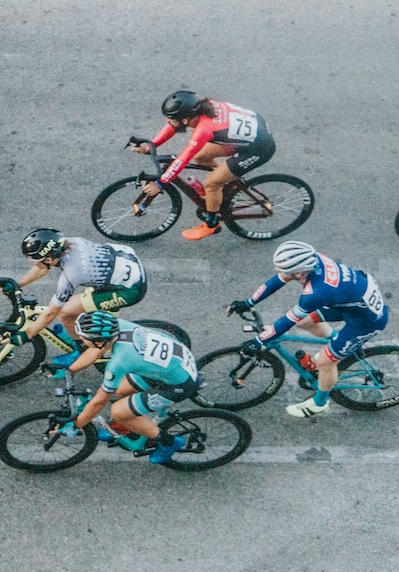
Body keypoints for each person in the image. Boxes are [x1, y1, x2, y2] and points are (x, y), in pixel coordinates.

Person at [234, 240, 389, 418]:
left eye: (283, 268)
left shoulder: (316, 292)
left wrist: (258, 341)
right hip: (350, 302)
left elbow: (288, 320)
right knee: (305, 322)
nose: (278, 270)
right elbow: (279, 279)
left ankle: (320, 403)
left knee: (325, 361)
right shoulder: (314, 260)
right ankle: (340, 345)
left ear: (299, 272)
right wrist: (248, 303)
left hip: (366, 321)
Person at [54, 312, 201, 465]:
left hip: (178, 384)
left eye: (84, 337)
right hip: (172, 365)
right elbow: (96, 350)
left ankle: (169, 442)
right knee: (120, 390)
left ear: (99, 340)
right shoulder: (116, 327)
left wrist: (77, 424)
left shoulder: (120, 361)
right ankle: (125, 428)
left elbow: (99, 401)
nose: (81, 340)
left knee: (118, 412)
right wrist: (69, 370)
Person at [135, 90, 275, 240]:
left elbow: (183, 159)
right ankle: (226, 186)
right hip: (249, 134)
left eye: (170, 118)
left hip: (259, 149)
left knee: (211, 184)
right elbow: (173, 126)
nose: (167, 122)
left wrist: (160, 183)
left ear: (185, 120)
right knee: (201, 157)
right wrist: (151, 146)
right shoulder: (197, 105)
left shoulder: (203, 130)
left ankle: (212, 225)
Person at [5, 230, 148, 369]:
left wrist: (26, 335)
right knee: (77, 308)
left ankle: (82, 351)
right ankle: (76, 333)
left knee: (65, 313)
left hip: (128, 291)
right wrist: (19, 284)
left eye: (35, 261)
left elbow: (51, 314)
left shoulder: (71, 274)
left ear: (48, 259)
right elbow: (43, 267)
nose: (34, 264)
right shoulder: (69, 242)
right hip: (124, 268)